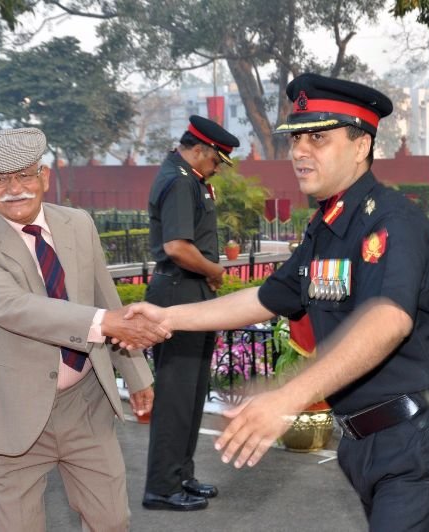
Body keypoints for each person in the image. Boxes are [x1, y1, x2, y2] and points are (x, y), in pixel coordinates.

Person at [129, 74, 429, 530]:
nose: (299, 152)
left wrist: (287, 396)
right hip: (366, 442)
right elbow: (265, 298)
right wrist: (167, 316)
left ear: (361, 145)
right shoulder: (327, 226)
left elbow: (388, 320)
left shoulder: (390, 222)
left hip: (415, 443)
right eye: (296, 139)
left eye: (319, 138)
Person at [0, 127, 169, 531]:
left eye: (25, 176)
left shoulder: (78, 223)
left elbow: (106, 298)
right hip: (10, 412)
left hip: (84, 405)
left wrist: (136, 375)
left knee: (112, 521)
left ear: (44, 176)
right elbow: (14, 307)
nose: (14, 189)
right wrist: (103, 323)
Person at [142, 115, 240, 511]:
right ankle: (162, 487)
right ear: (199, 150)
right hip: (179, 290)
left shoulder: (187, 178)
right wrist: (215, 270)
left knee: (192, 392)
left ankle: (181, 474)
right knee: (176, 396)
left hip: (189, 290)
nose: (217, 168)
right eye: (217, 160)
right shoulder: (181, 180)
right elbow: (178, 248)